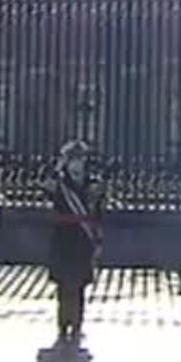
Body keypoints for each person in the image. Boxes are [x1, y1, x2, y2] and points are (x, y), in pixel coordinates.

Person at [44, 139, 106, 347]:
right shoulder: (60, 184)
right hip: (63, 238)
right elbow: (46, 185)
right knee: (63, 286)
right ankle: (63, 325)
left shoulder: (93, 184)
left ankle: (77, 324)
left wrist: (98, 237)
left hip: (83, 239)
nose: (76, 165)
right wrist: (57, 168)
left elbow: (98, 212)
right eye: (72, 160)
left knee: (79, 286)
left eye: (79, 160)